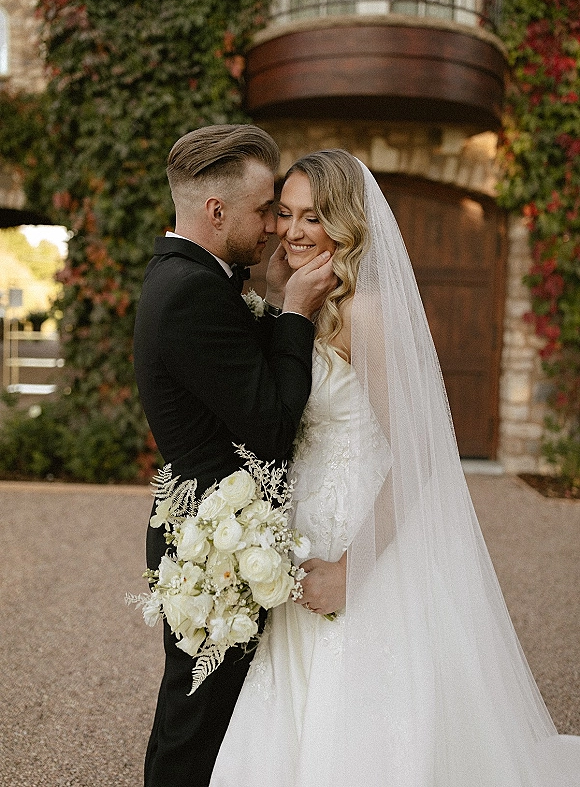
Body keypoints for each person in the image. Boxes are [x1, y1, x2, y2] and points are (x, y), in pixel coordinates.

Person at [209, 149, 580, 787]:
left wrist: (353, 569)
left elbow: (415, 457)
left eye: (314, 217)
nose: (295, 230)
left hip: (360, 532)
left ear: (347, 224)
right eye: (287, 214)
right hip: (304, 524)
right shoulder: (303, 301)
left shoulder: (367, 313)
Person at [132, 124, 336, 787]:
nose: (276, 228)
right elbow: (272, 424)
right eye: (263, 210)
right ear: (216, 213)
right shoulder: (193, 293)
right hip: (214, 546)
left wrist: (274, 300)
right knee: (197, 730)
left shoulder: (189, 274)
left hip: (206, 525)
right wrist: (296, 311)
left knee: (197, 719)